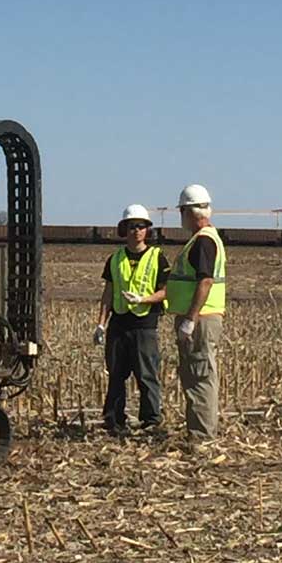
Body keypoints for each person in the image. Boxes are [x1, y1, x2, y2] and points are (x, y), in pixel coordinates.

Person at [93, 204, 170, 436]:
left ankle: (151, 420)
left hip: (144, 324)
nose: (136, 231)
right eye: (131, 226)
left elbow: (167, 291)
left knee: (146, 374)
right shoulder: (115, 259)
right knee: (116, 373)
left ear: (147, 230)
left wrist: (144, 299)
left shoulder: (158, 257)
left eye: (141, 226)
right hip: (119, 323)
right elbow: (108, 293)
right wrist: (100, 324)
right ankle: (114, 419)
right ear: (123, 229)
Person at [165, 184, 227, 442]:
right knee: (196, 375)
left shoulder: (203, 241)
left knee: (200, 376)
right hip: (202, 317)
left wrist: (190, 319)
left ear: (189, 212)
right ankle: (198, 432)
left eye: (182, 211)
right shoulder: (204, 239)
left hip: (201, 320)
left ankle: (202, 436)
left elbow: (205, 282)